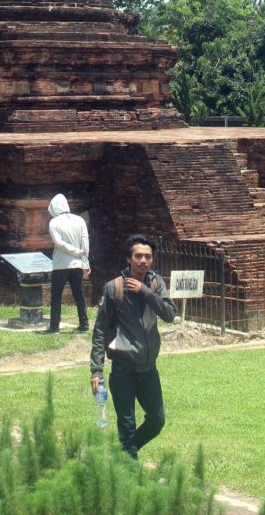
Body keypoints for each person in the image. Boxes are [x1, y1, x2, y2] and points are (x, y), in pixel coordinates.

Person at [90, 234, 176, 458]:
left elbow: (169, 314)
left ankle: (123, 454)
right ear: (129, 258)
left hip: (149, 369)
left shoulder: (156, 284)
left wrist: (145, 292)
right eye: (138, 256)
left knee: (157, 420)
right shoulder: (114, 288)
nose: (143, 261)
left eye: (148, 257)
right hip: (123, 371)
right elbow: (100, 331)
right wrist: (96, 371)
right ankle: (128, 469)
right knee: (126, 426)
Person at [46, 193, 90, 332]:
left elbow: (59, 244)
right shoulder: (79, 220)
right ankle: (84, 324)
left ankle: (54, 326)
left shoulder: (53, 222)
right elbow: (85, 243)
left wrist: (77, 252)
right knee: (78, 295)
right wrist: (85, 262)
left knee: (56, 296)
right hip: (77, 264)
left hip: (60, 265)